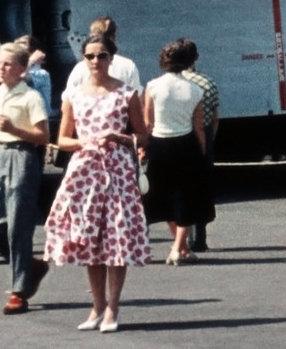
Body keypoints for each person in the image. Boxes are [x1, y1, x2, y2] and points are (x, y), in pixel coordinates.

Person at [44, 32, 151, 332]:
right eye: (89, 56)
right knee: (90, 240)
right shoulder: (73, 95)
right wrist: (82, 143)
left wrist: (119, 137)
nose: (95, 61)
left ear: (111, 58)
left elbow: (142, 135)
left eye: (101, 56)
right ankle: (96, 307)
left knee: (116, 238)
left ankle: (113, 309)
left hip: (117, 171)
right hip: (85, 172)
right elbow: (62, 139)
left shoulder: (126, 94)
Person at [0, 41, 51, 314]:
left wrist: (14, 129)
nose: (1, 68)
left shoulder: (31, 97)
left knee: (18, 227)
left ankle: (19, 290)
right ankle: (31, 265)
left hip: (22, 156)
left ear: (21, 69)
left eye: (7, 64)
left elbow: (43, 137)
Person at [142, 37, 213, 266]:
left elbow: (148, 122)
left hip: (159, 144)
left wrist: (143, 147)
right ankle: (179, 248)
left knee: (164, 197)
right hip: (186, 145)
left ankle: (178, 247)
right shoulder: (196, 89)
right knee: (187, 197)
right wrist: (201, 151)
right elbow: (199, 126)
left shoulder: (152, 86)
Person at [180, 53, 221, 251]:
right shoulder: (207, 82)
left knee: (182, 187)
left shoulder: (167, 84)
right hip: (203, 134)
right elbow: (215, 118)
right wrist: (209, 139)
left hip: (179, 134)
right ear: (195, 58)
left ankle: (183, 238)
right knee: (202, 187)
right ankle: (200, 238)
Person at [62, 16, 143, 95]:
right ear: (113, 37)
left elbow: (68, 100)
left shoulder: (80, 68)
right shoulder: (128, 66)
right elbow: (136, 98)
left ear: (91, 37)